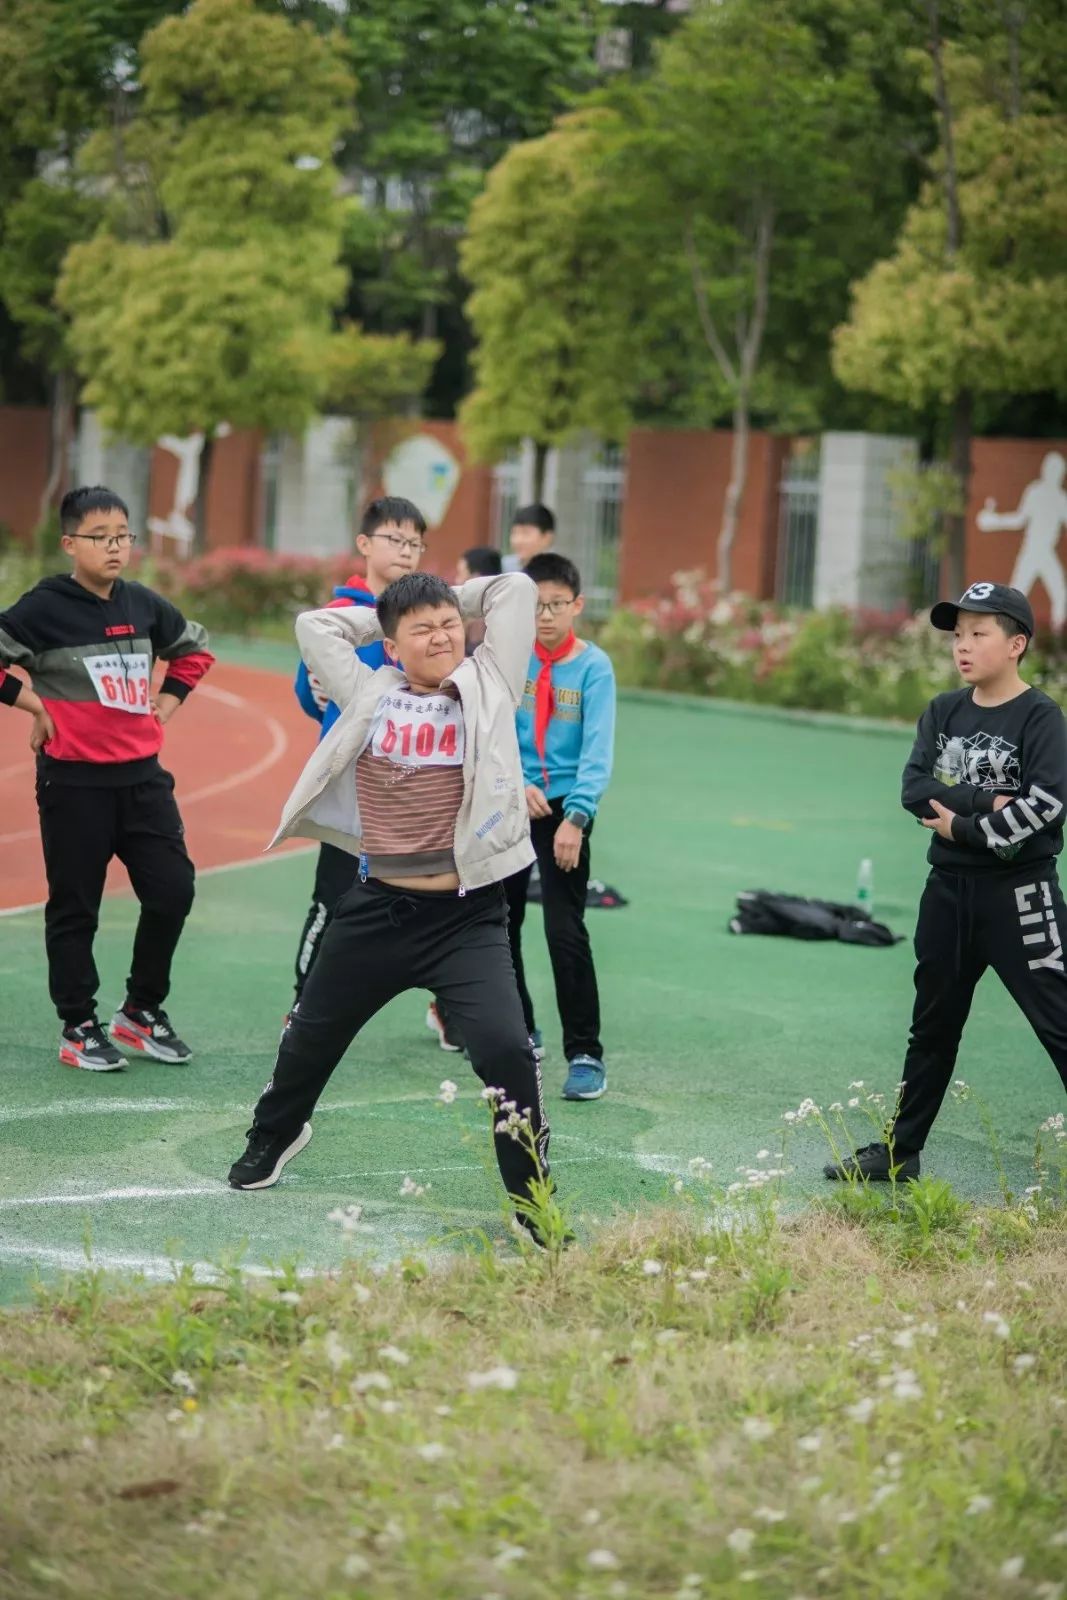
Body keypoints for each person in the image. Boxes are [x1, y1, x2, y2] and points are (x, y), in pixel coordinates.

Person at [228, 566, 553, 1232]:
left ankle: (531, 1201)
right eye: (421, 630)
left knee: (506, 1052)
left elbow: (514, 589)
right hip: (376, 908)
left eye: (447, 626)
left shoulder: (489, 681)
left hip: (467, 919)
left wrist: (438, 599)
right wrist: (387, 612)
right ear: (390, 643)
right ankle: (277, 1132)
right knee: (308, 1040)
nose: (440, 637)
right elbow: (312, 625)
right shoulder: (367, 689)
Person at [825, 581, 1067, 1182]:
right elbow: (915, 789)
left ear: (1016, 644)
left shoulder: (1041, 717)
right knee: (932, 1022)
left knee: (1059, 1021)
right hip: (948, 894)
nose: (963, 646)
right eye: (958, 635)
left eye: (978, 634)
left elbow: (1044, 806)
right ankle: (900, 1151)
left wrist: (960, 823)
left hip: (1020, 896)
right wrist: (984, 807)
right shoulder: (943, 711)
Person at [0, 485, 214, 1070]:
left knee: (173, 890)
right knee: (76, 907)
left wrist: (165, 706)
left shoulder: (143, 604)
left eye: (123, 535)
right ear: (71, 543)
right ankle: (78, 1024)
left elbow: (193, 651)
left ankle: (141, 1011)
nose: (115, 547)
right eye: (101, 537)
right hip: (74, 784)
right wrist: (35, 707)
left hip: (144, 781)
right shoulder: (43, 608)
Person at [292, 496, 426, 1011]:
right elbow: (307, 697)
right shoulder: (337, 617)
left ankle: (448, 1009)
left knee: (432, 903)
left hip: (410, 783)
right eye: (396, 540)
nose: (407, 551)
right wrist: (320, 695)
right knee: (334, 900)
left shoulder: (419, 614)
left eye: (416, 543)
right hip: (352, 783)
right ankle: (301, 1005)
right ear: (365, 544)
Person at [504, 553, 616, 1101]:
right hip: (510, 806)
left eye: (555, 605)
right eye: (535, 606)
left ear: (576, 606)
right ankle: (520, 1030)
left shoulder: (594, 668)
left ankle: (586, 1053)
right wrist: (515, 782)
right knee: (499, 923)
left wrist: (578, 816)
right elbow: (494, 729)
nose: (544, 616)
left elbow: (597, 751)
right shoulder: (509, 657)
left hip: (565, 814)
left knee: (563, 931)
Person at [505, 504, 555, 572]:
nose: (518, 540)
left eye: (526, 533)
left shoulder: (558, 572)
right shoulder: (502, 568)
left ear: (546, 537)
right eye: (514, 533)